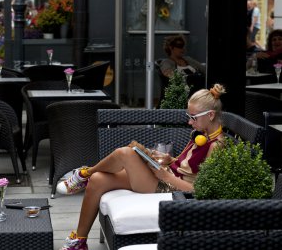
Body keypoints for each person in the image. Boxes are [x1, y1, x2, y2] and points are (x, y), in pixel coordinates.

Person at [57, 84, 226, 250]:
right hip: (166, 174)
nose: (189, 122)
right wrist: (169, 159)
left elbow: (201, 190)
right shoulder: (200, 134)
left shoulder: (216, 147)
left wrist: (167, 177)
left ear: (210, 115)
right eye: (188, 116)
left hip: (169, 187)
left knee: (125, 153)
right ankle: (80, 241)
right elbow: (187, 166)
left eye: (194, 117)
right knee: (98, 179)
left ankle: (83, 173)